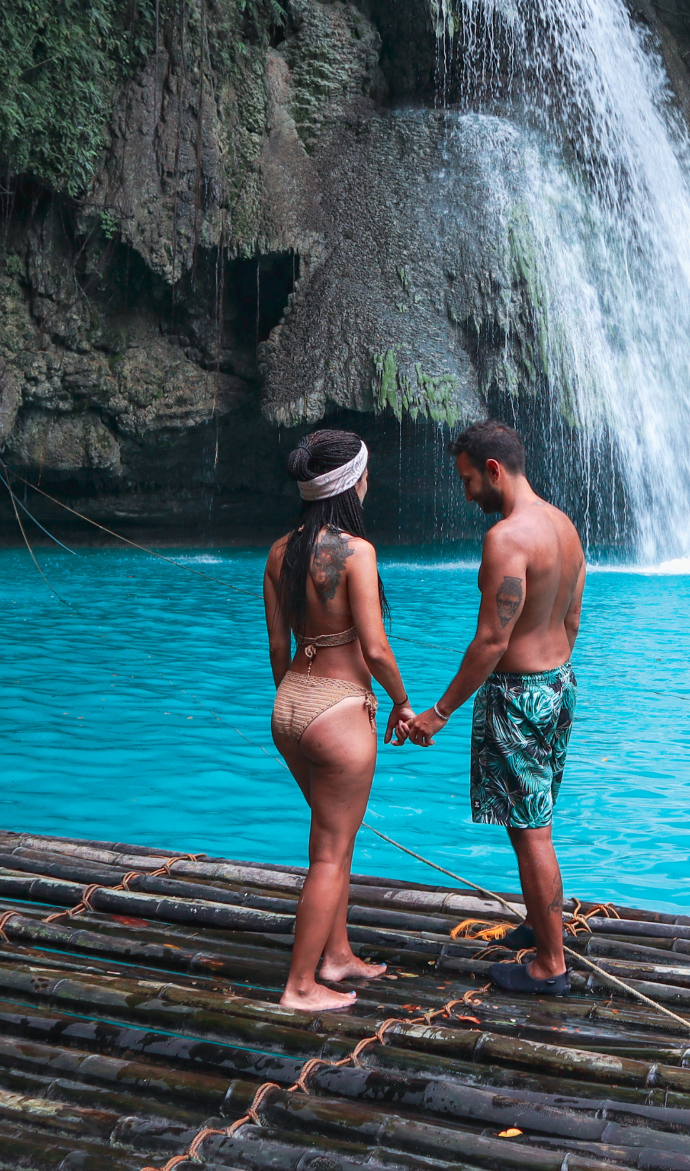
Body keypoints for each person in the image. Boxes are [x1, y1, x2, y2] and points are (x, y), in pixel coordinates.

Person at [402, 420, 587, 994]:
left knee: (532, 831)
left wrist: (439, 711)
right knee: (531, 821)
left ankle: (550, 964)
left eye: (467, 481)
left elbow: (492, 641)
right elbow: (573, 617)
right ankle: (539, 927)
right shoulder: (563, 525)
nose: (466, 495)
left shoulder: (507, 539)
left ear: (494, 470)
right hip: (559, 684)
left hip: (519, 697)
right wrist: (550, 674)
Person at [261, 429, 416, 1011]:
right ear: (352, 483)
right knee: (328, 853)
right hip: (339, 711)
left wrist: (297, 705)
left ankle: (337, 956)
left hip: (292, 705)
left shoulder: (280, 551)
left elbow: (279, 648)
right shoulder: (356, 552)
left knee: (337, 840)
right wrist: (402, 702)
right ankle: (300, 987)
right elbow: (374, 650)